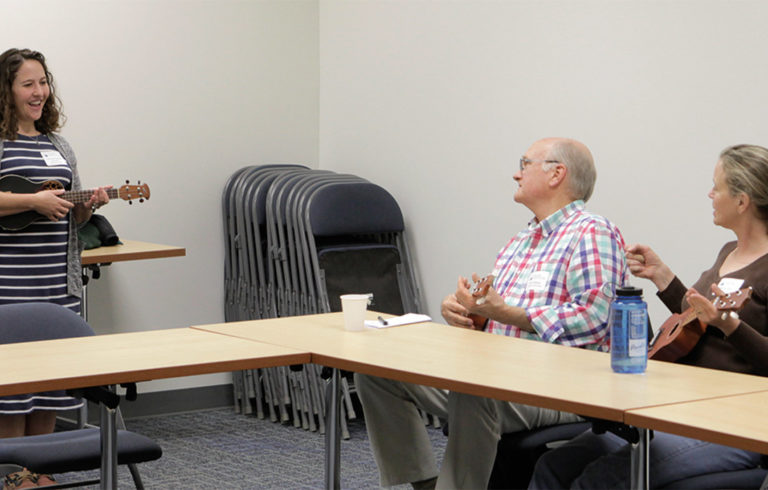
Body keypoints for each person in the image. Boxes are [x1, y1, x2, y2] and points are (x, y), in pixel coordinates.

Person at [354, 137, 629, 489]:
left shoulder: (592, 232)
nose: (516, 174)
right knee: (376, 371)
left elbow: (595, 319)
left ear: (556, 174)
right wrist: (466, 313)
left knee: (475, 390)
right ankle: (426, 483)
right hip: (501, 377)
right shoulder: (520, 241)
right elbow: (496, 315)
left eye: (525, 163)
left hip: (563, 389)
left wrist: (508, 313)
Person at [529, 144, 768, 489]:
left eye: (717, 187)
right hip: (678, 407)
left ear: (742, 201)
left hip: (732, 425)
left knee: (599, 480)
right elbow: (695, 322)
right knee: (554, 465)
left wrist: (732, 326)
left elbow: (734, 333)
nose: (710, 194)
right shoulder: (729, 252)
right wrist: (663, 277)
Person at [0, 47, 111, 486]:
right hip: (9, 283)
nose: (39, 92)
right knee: (11, 387)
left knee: (48, 379)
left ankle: (38, 469)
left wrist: (89, 206)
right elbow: (31, 202)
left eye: (43, 82)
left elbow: (72, 210)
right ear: (6, 90)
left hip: (55, 280)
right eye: (28, 84)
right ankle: (11, 473)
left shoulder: (57, 144)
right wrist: (32, 200)